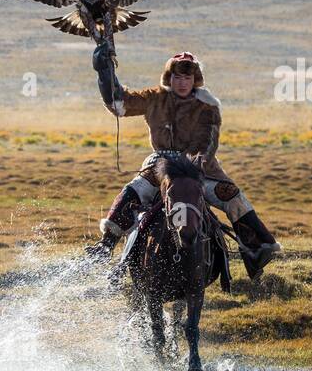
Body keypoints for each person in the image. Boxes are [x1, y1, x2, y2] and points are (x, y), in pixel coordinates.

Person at [91, 45, 280, 278]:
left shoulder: (207, 105)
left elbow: (207, 143)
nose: (182, 82)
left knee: (232, 195)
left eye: (187, 77)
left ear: (195, 79)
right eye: (177, 76)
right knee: (135, 189)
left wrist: (192, 167)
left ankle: (257, 251)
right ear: (169, 78)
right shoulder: (154, 98)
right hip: (161, 165)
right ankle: (106, 244)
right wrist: (104, 73)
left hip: (200, 168)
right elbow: (120, 105)